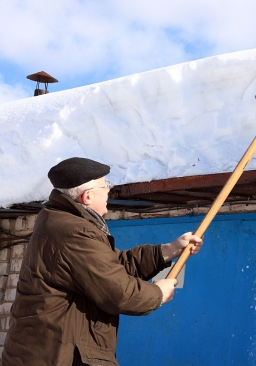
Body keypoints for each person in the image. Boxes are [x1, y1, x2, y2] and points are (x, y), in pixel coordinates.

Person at [2, 157, 203, 366]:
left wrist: (168, 251)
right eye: (105, 186)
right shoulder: (73, 232)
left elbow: (114, 267)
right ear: (87, 196)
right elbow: (117, 292)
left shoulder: (65, 223)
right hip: (56, 356)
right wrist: (158, 294)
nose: (109, 190)